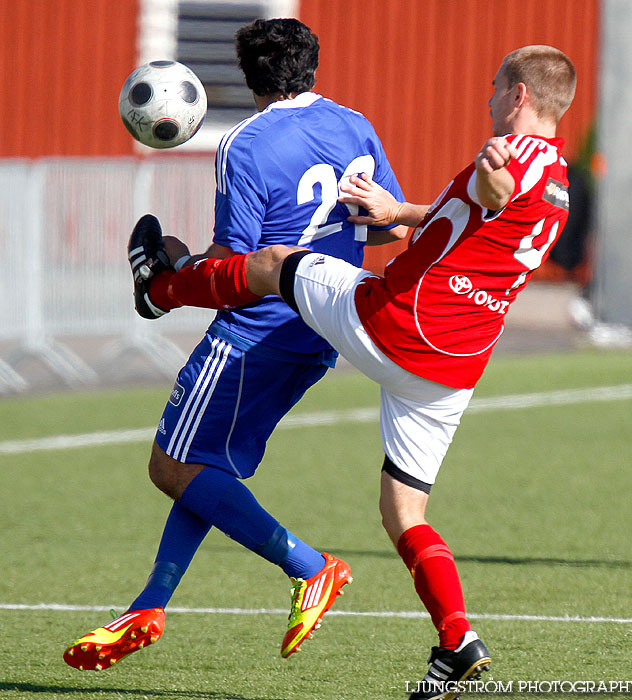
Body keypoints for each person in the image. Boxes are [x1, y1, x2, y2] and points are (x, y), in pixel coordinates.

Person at [130, 45, 576, 700]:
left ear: (518, 97)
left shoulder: (514, 159)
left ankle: (160, 290)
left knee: (274, 262)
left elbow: (493, 192)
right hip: (453, 366)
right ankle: (457, 642)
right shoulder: (560, 175)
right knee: (403, 510)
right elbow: (477, 214)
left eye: (493, 87)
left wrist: (490, 176)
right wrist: (399, 214)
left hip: (396, 322)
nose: (486, 97)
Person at [64, 18, 406, 671]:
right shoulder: (354, 126)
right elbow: (384, 225)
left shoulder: (246, 144)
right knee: (204, 466)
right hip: (325, 322)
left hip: (258, 326)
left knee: (171, 467)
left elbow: (235, 266)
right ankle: (148, 605)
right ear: (312, 65)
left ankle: (310, 567)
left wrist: (170, 273)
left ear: (248, 76)